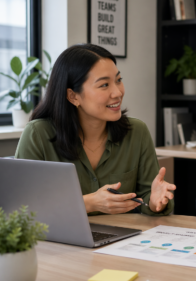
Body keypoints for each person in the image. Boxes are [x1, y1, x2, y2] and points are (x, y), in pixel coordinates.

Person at [16, 44, 176, 216]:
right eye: (104, 85)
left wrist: (153, 202)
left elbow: (146, 198)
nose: (117, 92)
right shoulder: (37, 134)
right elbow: (21, 207)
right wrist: (88, 203)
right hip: (59, 240)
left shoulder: (137, 131)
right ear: (73, 96)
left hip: (123, 238)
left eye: (118, 80)